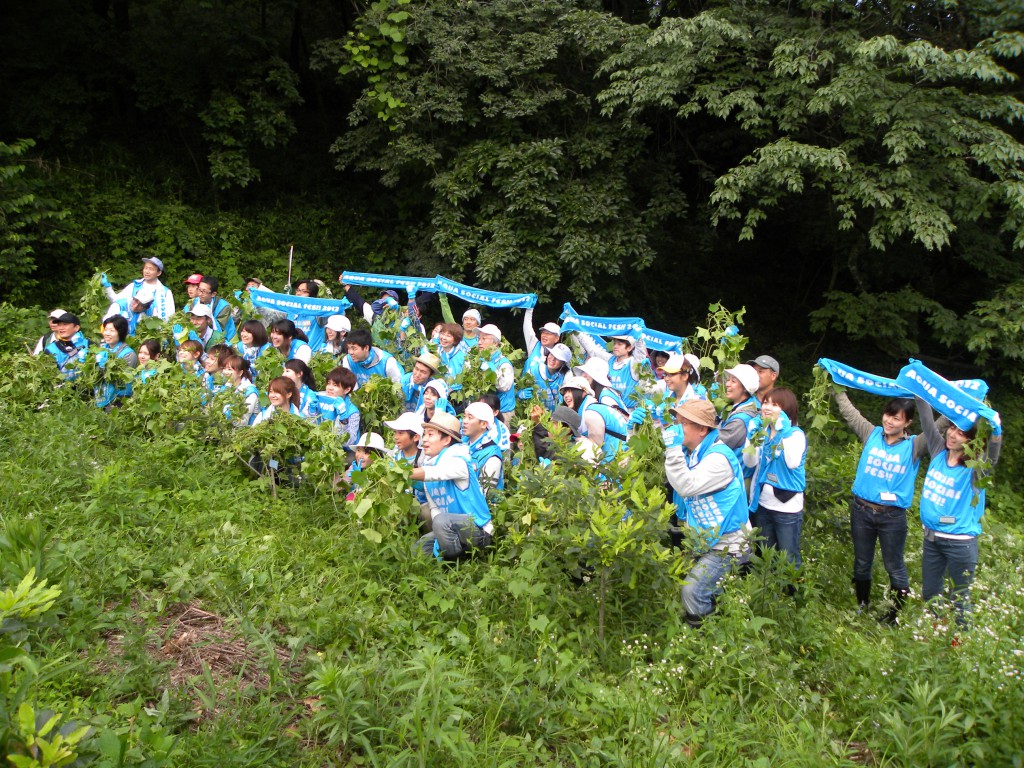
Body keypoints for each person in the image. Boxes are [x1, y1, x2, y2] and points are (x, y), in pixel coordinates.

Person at [833, 388, 930, 621]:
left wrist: (929, 396)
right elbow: (850, 413)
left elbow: (938, 427)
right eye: (888, 415)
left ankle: (893, 614)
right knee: (862, 561)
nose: (889, 421)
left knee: (894, 565)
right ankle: (862, 605)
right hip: (862, 510)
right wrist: (836, 389)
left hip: (892, 517)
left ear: (907, 423)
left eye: (896, 418)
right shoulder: (872, 433)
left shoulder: (915, 445)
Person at [665, 399, 751, 627]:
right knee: (694, 586)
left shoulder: (717, 459)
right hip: (707, 539)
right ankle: (715, 623)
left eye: (683, 423)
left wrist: (672, 449)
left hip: (728, 544)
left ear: (703, 429)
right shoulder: (695, 452)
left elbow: (686, 486)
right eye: (676, 421)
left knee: (692, 591)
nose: (676, 427)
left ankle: (702, 641)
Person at [916, 399, 1001, 624]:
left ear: (972, 441)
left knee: (959, 599)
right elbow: (926, 421)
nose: (952, 434)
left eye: (961, 433)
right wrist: (919, 388)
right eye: (952, 427)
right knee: (931, 594)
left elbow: (991, 459)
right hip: (932, 539)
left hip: (959, 544)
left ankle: (960, 647)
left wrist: (996, 433)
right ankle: (936, 637)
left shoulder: (975, 470)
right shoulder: (937, 451)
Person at [411, 412, 494, 559]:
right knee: (419, 548)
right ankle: (446, 556)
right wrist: (439, 537)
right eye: (424, 434)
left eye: (430, 435)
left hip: (478, 530)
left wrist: (401, 472)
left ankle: (456, 564)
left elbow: (437, 473)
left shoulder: (459, 461)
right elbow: (435, 508)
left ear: (446, 439)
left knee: (441, 522)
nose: (424, 439)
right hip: (450, 528)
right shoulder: (429, 465)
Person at [744, 388, 807, 576]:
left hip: (787, 507)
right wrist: (752, 438)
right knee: (766, 554)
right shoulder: (761, 432)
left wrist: (783, 433)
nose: (767, 407)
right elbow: (750, 462)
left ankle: (794, 599)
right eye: (765, 402)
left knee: (788, 557)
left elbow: (792, 462)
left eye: (775, 404)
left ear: (787, 410)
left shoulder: (795, 434)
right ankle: (770, 596)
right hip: (763, 502)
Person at [560, 375, 628, 464]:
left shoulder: (591, 413)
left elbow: (595, 448)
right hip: (618, 456)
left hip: (620, 459)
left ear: (584, 392)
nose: (566, 396)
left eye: (570, 391)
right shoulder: (592, 407)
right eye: (565, 392)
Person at [576, 332, 650, 408]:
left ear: (629, 348)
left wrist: (639, 336)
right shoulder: (610, 360)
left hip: (629, 412)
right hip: (610, 408)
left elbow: (640, 353)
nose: (615, 346)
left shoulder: (633, 364)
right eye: (614, 343)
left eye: (619, 344)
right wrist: (578, 331)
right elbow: (594, 350)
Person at [385, 411, 428, 526]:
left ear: (415, 437)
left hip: (421, 503)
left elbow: (427, 486)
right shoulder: (393, 455)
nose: (396, 437)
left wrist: (405, 476)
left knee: (426, 513)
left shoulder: (425, 457)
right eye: (395, 432)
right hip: (398, 502)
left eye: (400, 433)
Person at [102, 255, 175, 320]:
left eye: (151, 269)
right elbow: (116, 300)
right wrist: (107, 286)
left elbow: (170, 316)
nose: (147, 271)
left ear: (159, 273)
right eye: (146, 268)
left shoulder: (165, 292)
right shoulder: (134, 285)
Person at [718, 364, 761, 465]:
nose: (727, 384)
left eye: (733, 381)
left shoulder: (741, 420)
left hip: (736, 476)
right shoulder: (753, 403)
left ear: (745, 388)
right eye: (728, 380)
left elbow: (717, 444)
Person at [476, 324, 516, 422]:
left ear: (494, 343)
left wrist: (492, 372)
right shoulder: (479, 361)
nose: (479, 342)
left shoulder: (504, 364)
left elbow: (505, 386)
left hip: (502, 413)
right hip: (484, 411)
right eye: (479, 338)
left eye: (484, 339)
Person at [462, 401, 504, 496]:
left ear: (484, 424)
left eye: (470, 417)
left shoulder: (492, 456)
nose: (464, 421)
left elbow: (483, 496)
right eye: (464, 416)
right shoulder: (461, 445)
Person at [523, 342, 572, 412]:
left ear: (563, 364)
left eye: (558, 358)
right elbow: (523, 385)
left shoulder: (566, 376)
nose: (553, 359)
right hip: (536, 413)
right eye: (552, 354)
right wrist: (521, 393)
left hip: (556, 417)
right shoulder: (534, 369)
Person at [319, 367, 361, 445]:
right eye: (328, 383)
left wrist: (343, 420)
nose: (330, 388)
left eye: (335, 385)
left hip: (343, 452)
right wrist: (312, 411)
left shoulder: (353, 411)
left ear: (347, 390)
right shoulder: (320, 399)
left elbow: (350, 440)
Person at [43, 312, 89, 380]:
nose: (61, 328)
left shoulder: (88, 344)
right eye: (59, 325)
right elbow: (50, 377)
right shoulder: (50, 349)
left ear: (76, 327)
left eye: (65, 324)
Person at [220, 354, 261, 425]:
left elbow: (243, 422)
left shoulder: (250, 392)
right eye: (224, 368)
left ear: (240, 373)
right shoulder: (226, 387)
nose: (225, 372)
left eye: (229, 369)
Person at [290, 280, 329, 351]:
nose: (299, 293)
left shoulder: (318, 312)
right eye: (298, 290)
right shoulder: (290, 311)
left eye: (304, 291)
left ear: (312, 294)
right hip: (292, 356)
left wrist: (326, 295)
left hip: (313, 357)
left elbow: (333, 313)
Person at [197, 277, 236, 341]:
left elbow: (219, 330)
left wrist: (209, 313)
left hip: (226, 338)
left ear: (213, 294)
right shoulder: (194, 302)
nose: (200, 294)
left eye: (204, 291)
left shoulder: (224, 307)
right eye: (199, 290)